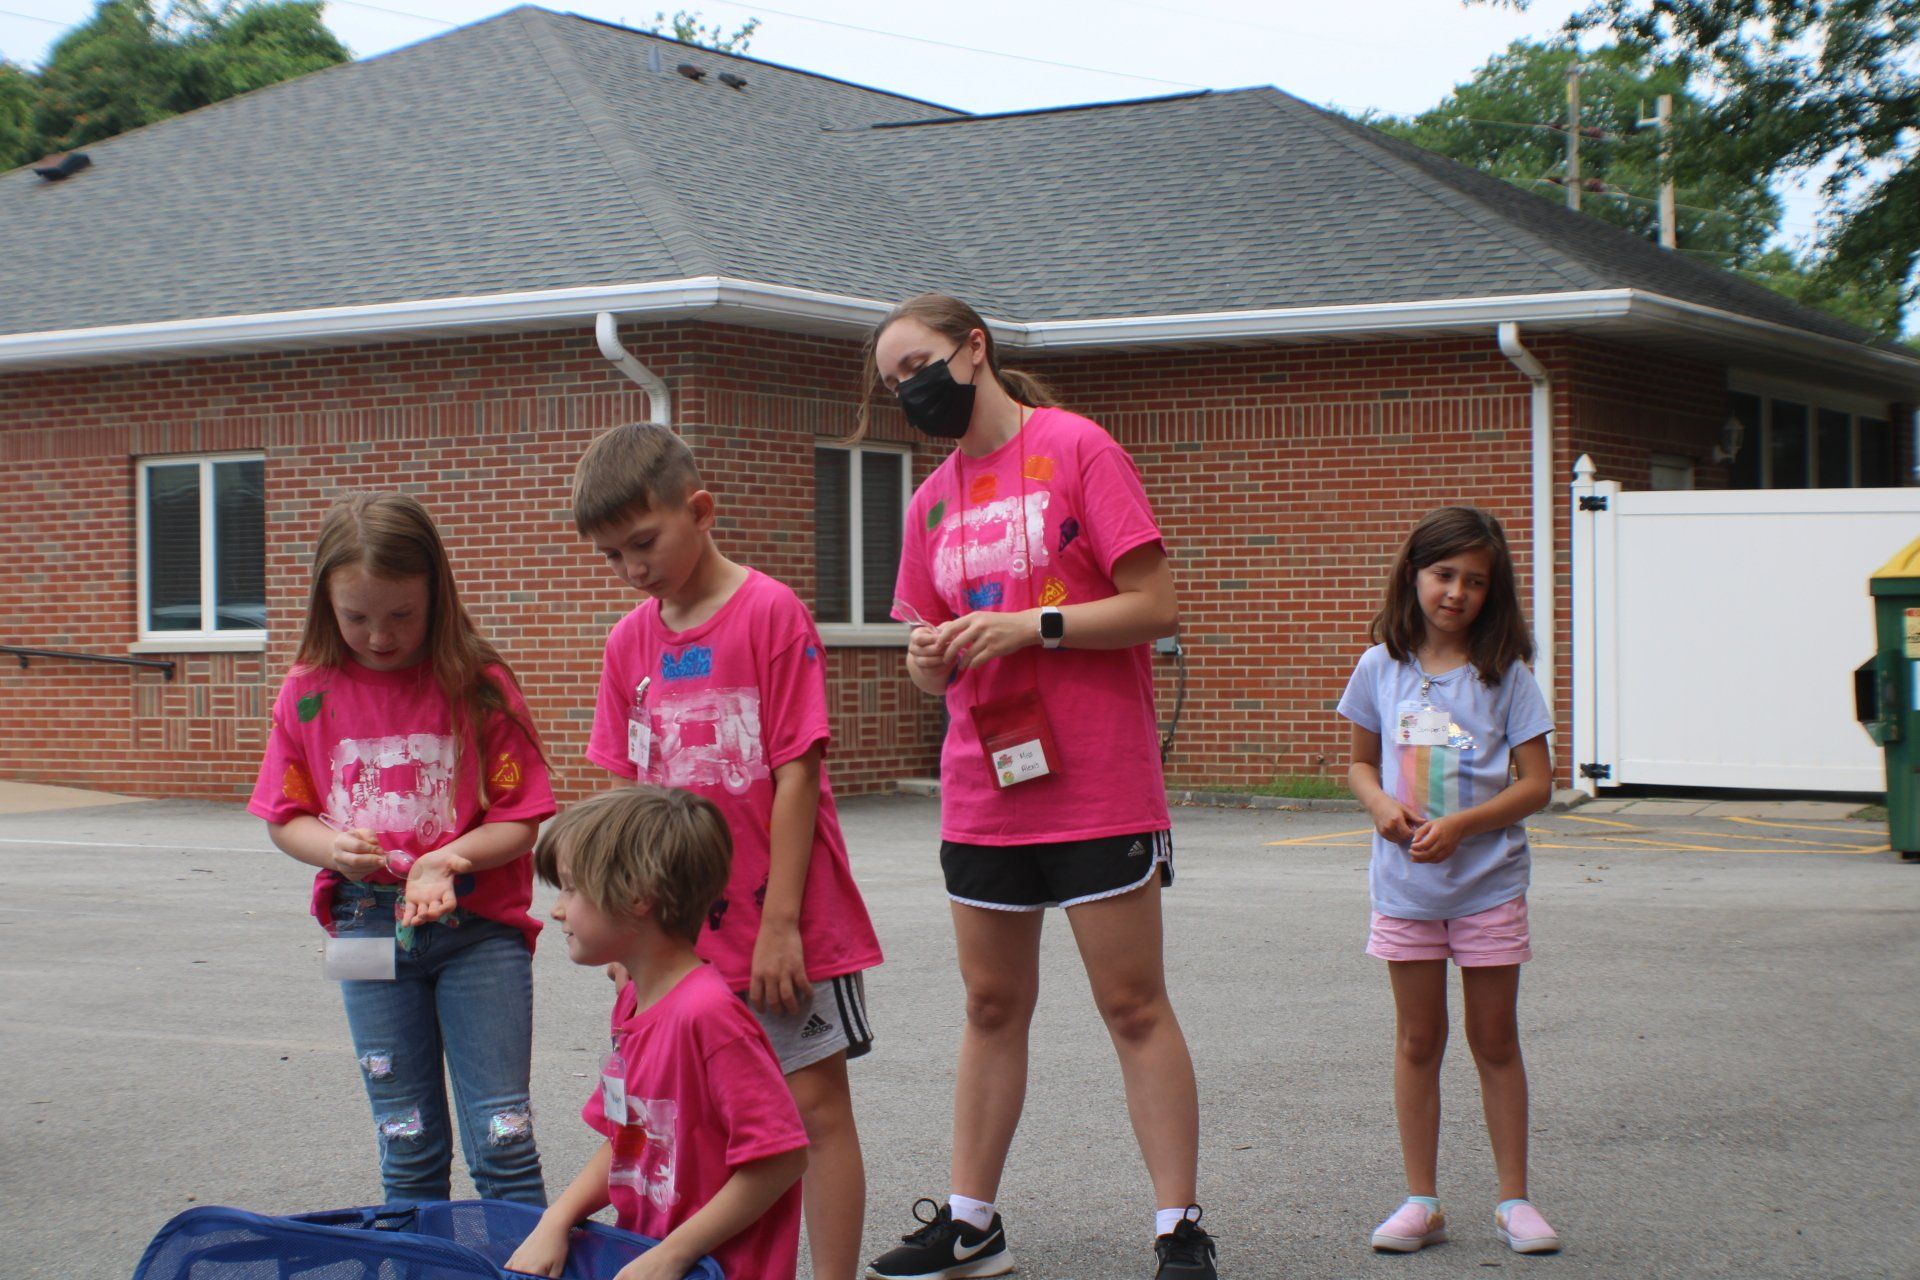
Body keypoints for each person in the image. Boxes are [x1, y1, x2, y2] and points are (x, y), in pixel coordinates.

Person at [863, 294, 1218, 1280]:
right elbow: (919, 647)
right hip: (986, 784)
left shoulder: (1077, 447)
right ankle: (972, 1221)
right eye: (893, 380)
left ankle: (1178, 1227)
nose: (909, 387)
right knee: (989, 1003)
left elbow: (1155, 603)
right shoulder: (929, 497)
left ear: (975, 349)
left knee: (1133, 1003)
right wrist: (929, 662)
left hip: (1097, 780)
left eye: (919, 362)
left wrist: (1032, 626)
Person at [577, 422, 884, 1280]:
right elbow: (623, 801)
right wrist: (617, 919)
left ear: (700, 510)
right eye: (612, 557)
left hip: (783, 923)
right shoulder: (627, 643)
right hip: (674, 939)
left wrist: (781, 923)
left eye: (644, 542)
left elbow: (795, 775)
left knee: (815, 1111)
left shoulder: (770, 614)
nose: (634, 569)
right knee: (685, 1117)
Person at [249, 492, 554, 1205]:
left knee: (504, 1141)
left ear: (435, 598)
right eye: (355, 617)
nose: (379, 636)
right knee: (406, 1143)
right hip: (362, 925)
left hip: (480, 932)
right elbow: (283, 817)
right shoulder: (306, 693)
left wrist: (447, 858)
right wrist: (330, 848)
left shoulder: (478, 685)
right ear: (326, 605)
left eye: (401, 616)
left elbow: (522, 819)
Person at [1336, 505, 1561, 1256]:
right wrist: (1377, 806)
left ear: (1492, 593)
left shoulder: (1507, 677)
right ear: (1413, 574)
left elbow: (1537, 784)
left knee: (1495, 1040)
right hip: (1406, 892)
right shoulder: (1380, 666)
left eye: (1475, 580)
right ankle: (1421, 1201)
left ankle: (1514, 1200)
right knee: (1417, 1040)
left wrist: (1464, 825)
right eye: (1443, 574)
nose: (1457, 592)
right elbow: (1361, 762)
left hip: (1489, 886)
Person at [507, 787, 810, 1280]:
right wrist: (556, 1219)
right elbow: (628, 1135)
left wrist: (673, 1254)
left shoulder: (708, 1017)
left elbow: (782, 1158)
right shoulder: (632, 1001)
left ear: (637, 897)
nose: (557, 910)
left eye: (569, 889)